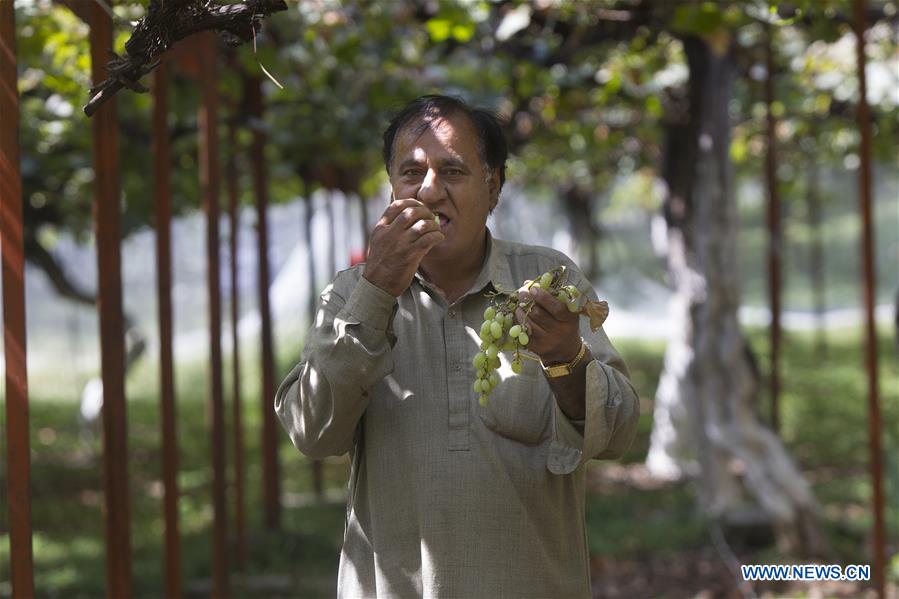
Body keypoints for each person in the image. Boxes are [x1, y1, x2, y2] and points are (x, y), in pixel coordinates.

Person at [275, 95, 639, 598]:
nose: (429, 190)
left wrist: (566, 360)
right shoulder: (351, 294)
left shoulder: (548, 283)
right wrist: (377, 292)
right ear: (392, 188)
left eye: (452, 171)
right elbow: (312, 432)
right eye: (411, 173)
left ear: (493, 188)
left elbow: (618, 432)